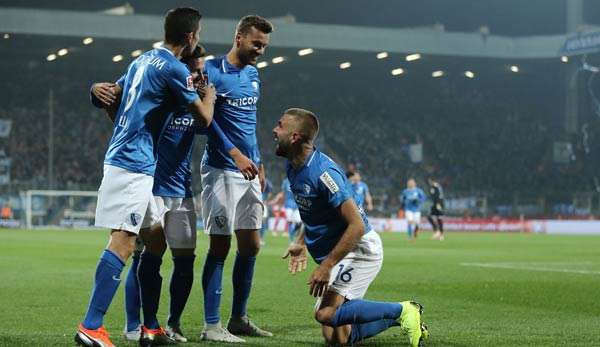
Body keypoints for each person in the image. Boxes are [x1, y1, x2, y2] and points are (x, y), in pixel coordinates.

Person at [91, 44, 256, 345]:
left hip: (181, 190)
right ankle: (134, 324)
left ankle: (173, 324)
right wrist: (97, 92)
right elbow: (122, 103)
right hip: (151, 186)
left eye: (204, 72)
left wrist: (239, 153)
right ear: (182, 68)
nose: (201, 75)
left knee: (184, 258)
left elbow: (215, 127)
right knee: (143, 254)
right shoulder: (162, 95)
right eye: (196, 70)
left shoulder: (193, 103)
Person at [75, 7, 216, 347]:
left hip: (131, 159)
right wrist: (207, 96)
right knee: (123, 241)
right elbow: (204, 119)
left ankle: (151, 329)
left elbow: (112, 97)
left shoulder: (142, 61)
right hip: (133, 166)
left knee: (154, 241)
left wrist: (97, 91)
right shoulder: (173, 68)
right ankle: (91, 326)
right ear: (192, 36)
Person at [275, 108, 428, 347]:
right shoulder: (293, 166)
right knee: (335, 336)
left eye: (280, 126)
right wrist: (300, 241)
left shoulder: (324, 173)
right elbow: (314, 213)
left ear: (294, 136)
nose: (274, 131)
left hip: (360, 250)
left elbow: (356, 226)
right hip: (342, 252)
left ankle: (404, 310)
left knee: (325, 314)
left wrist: (326, 266)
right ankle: (399, 320)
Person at [199, 15, 274, 343]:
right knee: (220, 245)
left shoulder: (254, 75)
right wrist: (234, 154)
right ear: (239, 37)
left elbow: (249, 122)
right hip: (221, 169)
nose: (260, 50)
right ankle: (211, 325)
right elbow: (206, 120)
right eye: (256, 43)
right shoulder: (211, 70)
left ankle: (239, 318)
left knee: (252, 245)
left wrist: (258, 162)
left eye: (265, 46)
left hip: (249, 170)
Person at [259, 178, 273, 245]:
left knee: (263, 221)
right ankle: (255, 238)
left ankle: (261, 238)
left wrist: (266, 200)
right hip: (254, 203)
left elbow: (270, 192)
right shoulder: (253, 179)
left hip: (263, 204)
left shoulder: (267, 182)